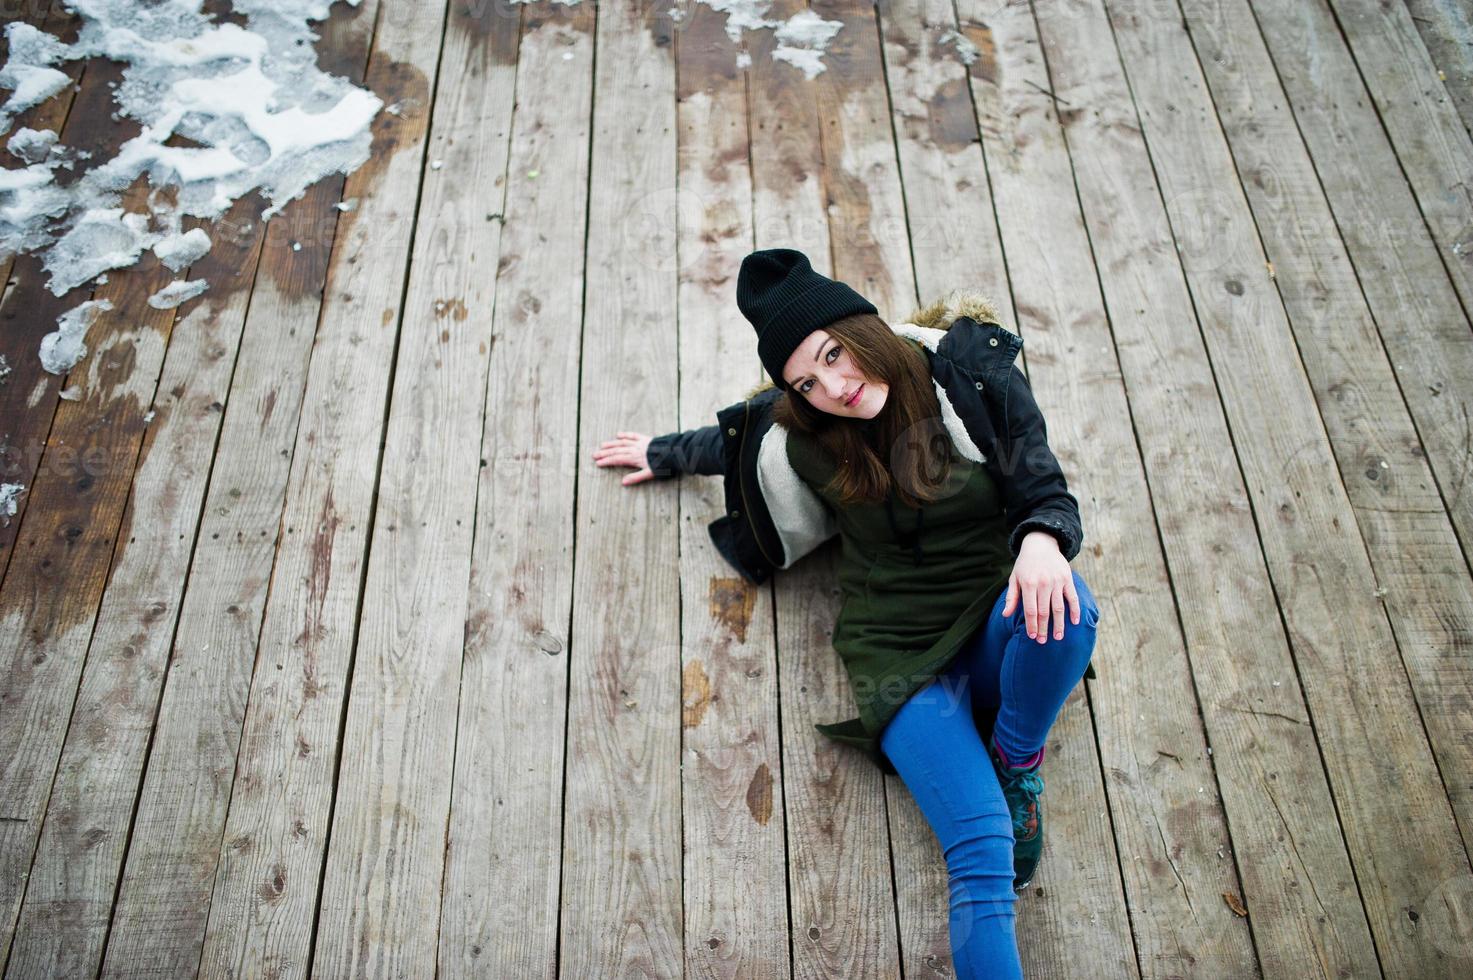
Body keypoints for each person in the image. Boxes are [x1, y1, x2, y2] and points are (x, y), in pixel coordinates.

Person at [591, 248, 1101, 978]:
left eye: (835, 354)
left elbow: (1041, 481)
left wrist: (1045, 539)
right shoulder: (798, 434)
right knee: (983, 858)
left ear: (860, 328)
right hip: (897, 648)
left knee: (1069, 607)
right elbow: (731, 444)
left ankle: (1015, 760)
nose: (835, 386)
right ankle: (991, 782)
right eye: (806, 380)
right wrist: (663, 452)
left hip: (994, 604)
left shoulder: (967, 375)